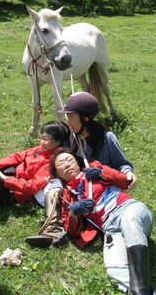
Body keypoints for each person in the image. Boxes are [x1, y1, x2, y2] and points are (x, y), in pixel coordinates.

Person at [26, 92, 137, 246]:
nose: (67, 121)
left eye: (71, 117)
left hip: (100, 192)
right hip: (76, 190)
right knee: (52, 188)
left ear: (86, 118)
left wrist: (128, 173)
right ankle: (54, 228)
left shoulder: (107, 138)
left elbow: (122, 163)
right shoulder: (71, 138)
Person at [50, 148, 156, 295]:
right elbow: (72, 231)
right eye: (61, 164)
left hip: (128, 209)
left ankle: (140, 290)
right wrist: (74, 212)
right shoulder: (66, 196)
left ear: (77, 163)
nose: (66, 165)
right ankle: (148, 291)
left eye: (70, 160)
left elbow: (125, 181)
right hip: (110, 228)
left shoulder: (93, 168)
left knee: (130, 220)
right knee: (114, 270)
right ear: (57, 173)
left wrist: (101, 173)